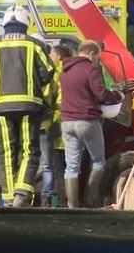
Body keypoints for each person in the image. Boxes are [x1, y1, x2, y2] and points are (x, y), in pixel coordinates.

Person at [0, 4, 54, 207]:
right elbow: (48, 72)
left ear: (5, 23)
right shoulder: (34, 45)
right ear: (26, 23)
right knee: (29, 151)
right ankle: (22, 194)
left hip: (0, 108)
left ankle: (7, 199)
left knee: (6, 152)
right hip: (29, 105)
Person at [59, 40, 124, 208]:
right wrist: (117, 96)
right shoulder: (90, 69)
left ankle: (72, 205)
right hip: (87, 121)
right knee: (98, 161)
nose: (97, 61)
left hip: (67, 122)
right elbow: (102, 95)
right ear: (90, 54)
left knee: (71, 166)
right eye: (97, 57)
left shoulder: (64, 70)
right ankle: (89, 199)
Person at [42, 44, 74, 207]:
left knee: (57, 166)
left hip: (56, 123)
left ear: (59, 57)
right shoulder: (75, 70)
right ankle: (71, 200)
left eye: (52, 55)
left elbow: (50, 96)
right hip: (74, 122)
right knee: (72, 166)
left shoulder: (55, 72)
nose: (50, 57)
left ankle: (59, 201)